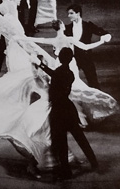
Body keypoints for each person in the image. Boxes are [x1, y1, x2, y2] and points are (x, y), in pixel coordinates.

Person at [38, 48, 99, 179]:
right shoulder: (70, 73)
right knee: (80, 138)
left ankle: (66, 171)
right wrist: (42, 65)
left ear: (59, 58)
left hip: (58, 111)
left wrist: (41, 65)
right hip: (69, 109)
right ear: (71, 59)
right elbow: (54, 74)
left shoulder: (59, 72)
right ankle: (94, 161)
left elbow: (53, 74)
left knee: (61, 142)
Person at [62, 4, 110, 89]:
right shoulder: (67, 28)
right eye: (68, 13)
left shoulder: (88, 26)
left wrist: (107, 36)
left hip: (86, 58)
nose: (68, 16)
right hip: (73, 59)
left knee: (93, 81)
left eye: (71, 13)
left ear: (78, 14)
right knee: (67, 81)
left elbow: (102, 32)